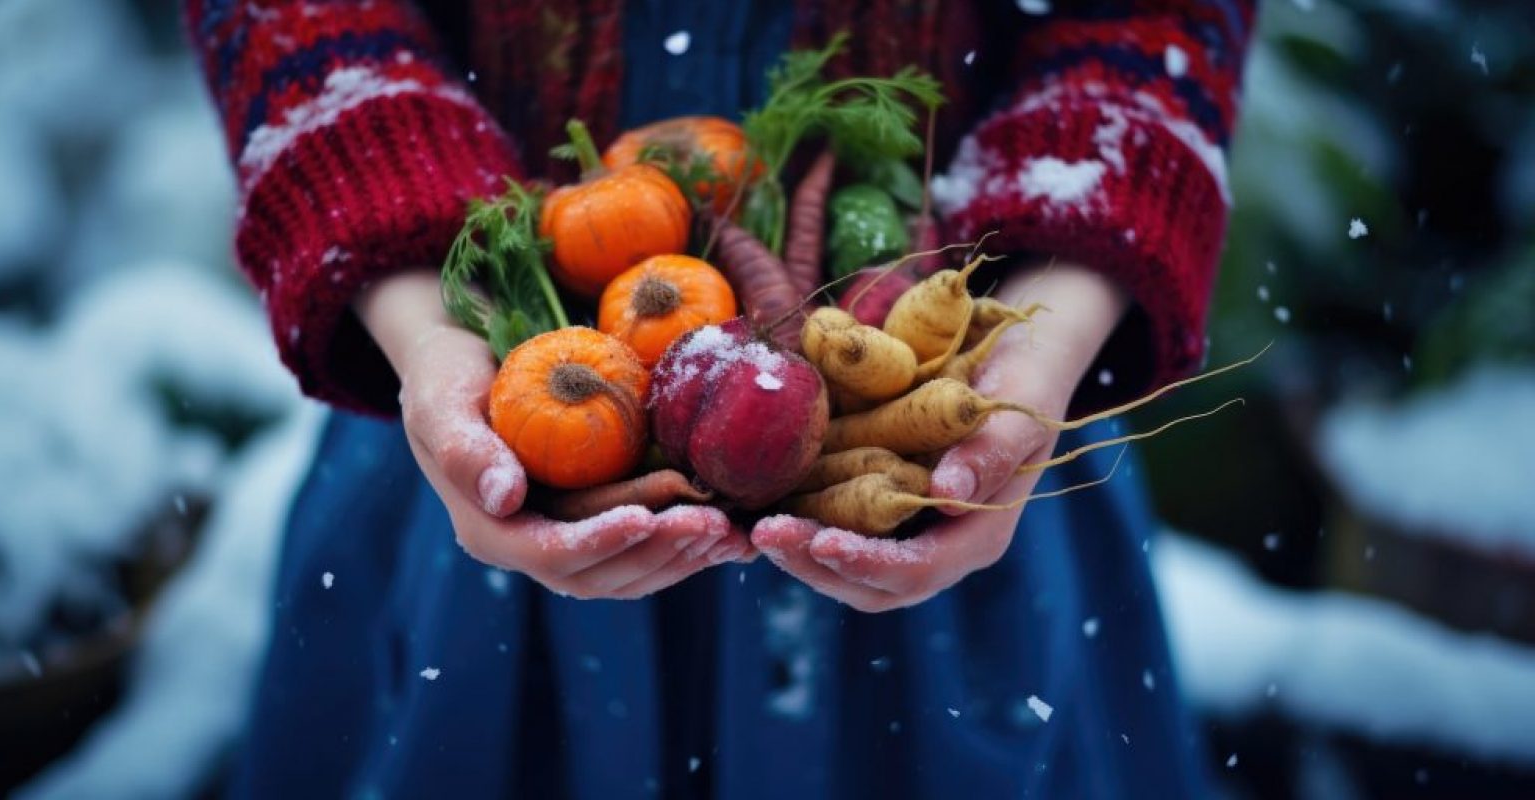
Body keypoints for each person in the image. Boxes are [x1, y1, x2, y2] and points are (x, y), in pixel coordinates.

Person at [186, 0, 1255, 796]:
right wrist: (426, 328)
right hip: (495, 415)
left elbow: (1156, 19)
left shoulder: (969, 411)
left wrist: (1046, 335)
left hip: (962, 420)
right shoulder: (501, 375)